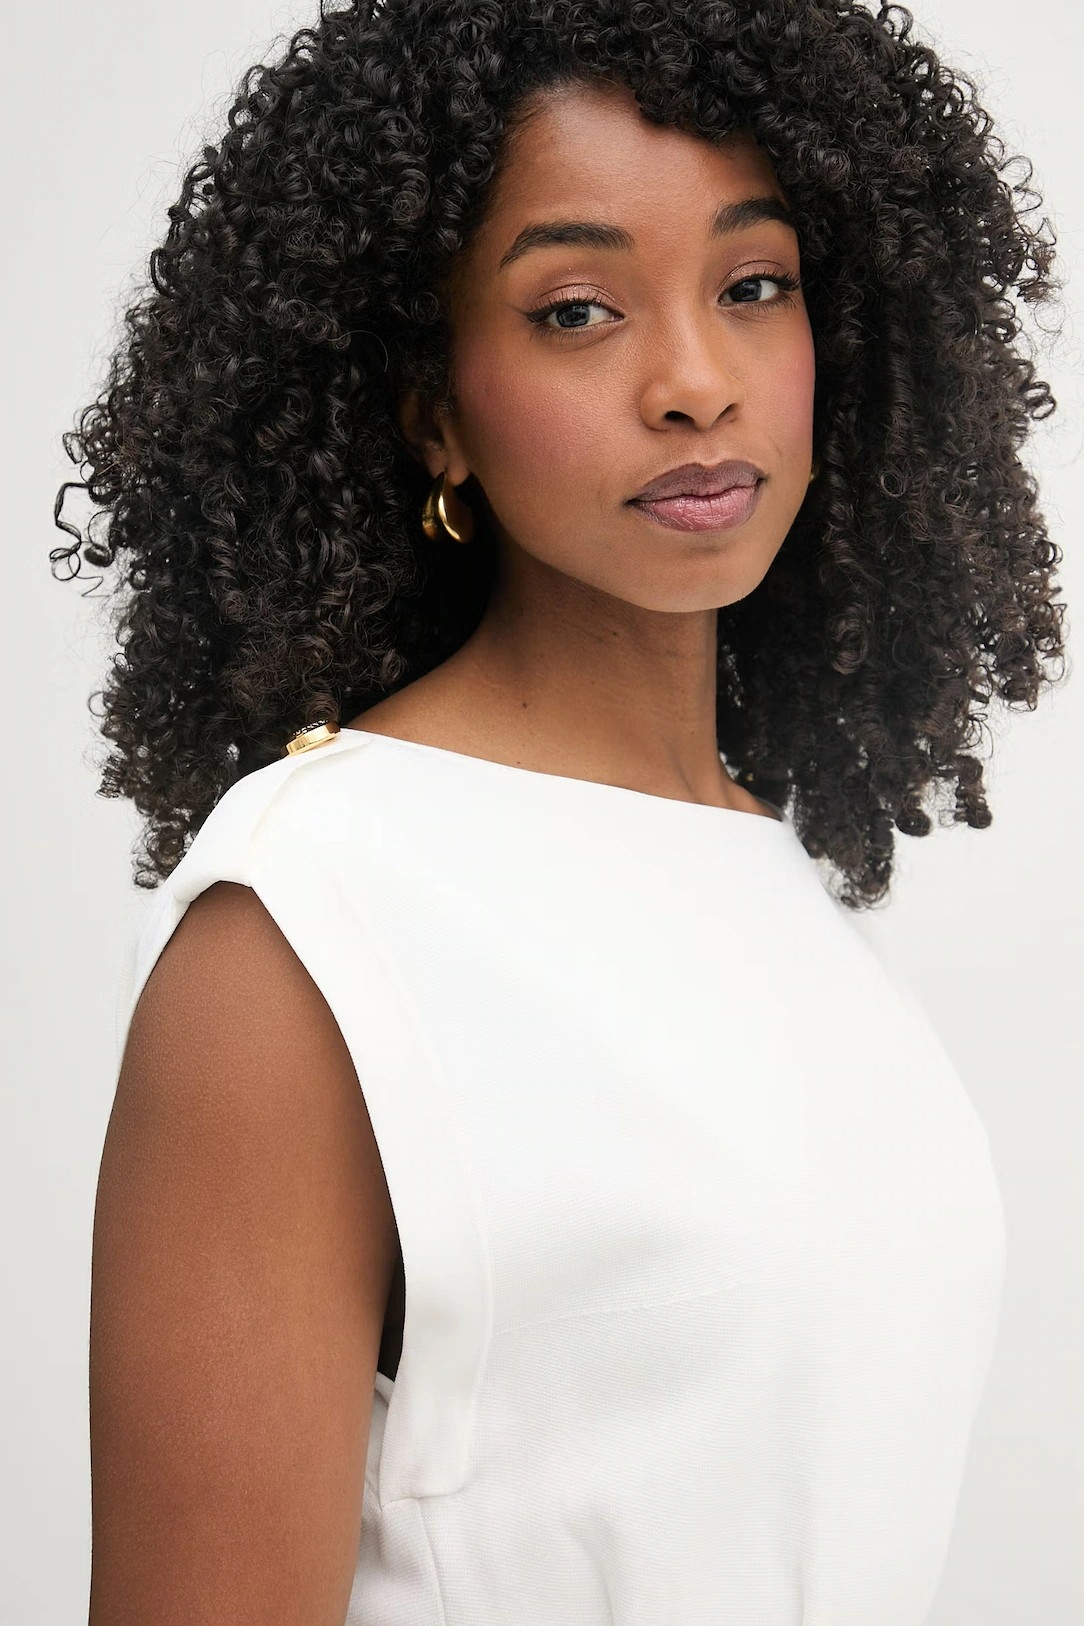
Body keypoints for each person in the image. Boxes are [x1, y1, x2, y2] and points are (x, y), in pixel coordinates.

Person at [56, 2, 1064, 1622]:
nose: (695, 383)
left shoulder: (775, 881)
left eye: (755, 286)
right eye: (578, 310)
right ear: (433, 408)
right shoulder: (305, 924)